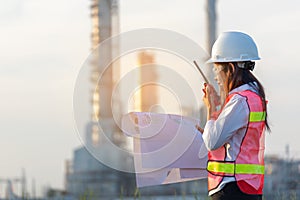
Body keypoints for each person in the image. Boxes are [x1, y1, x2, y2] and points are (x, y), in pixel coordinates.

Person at [199, 31, 270, 200]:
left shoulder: (239, 101)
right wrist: (217, 110)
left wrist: (210, 109)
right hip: (248, 187)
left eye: (216, 69)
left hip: (232, 188)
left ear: (230, 68)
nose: (215, 77)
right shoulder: (253, 97)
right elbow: (238, 141)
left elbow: (212, 141)